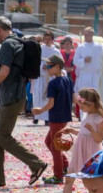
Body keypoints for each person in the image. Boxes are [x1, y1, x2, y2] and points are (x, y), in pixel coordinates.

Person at [0, 17, 49, 188]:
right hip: (14, 96)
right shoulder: (18, 42)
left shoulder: (7, 45)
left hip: (12, 96)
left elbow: (4, 72)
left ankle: (36, 164)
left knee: (3, 137)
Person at [54, 88, 103, 193]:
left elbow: (98, 139)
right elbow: (82, 133)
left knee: (92, 182)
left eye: (83, 106)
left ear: (91, 105)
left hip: (92, 151)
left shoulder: (100, 118)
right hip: (80, 149)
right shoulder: (86, 115)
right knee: (69, 178)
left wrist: (91, 129)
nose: (81, 108)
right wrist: (72, 130)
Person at [31, 55, 74, 185]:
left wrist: (40, 111)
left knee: (55, 146)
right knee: (49, 141)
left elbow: (51, 103)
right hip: (64, 117)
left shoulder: (53, 83)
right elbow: (74, 97)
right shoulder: (68, 80)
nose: (46, 68)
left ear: (57, 67)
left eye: (49, 66)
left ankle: (58, 175)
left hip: (56, 117)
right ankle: (64, 165)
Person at [31, 30, 59, 124]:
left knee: (48, 97)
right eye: (45, 39)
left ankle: (47, 118)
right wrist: (41, 66)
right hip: (40, 76)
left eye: (49, 39)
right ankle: (36, 116)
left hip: (50, 77)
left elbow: (59, 63)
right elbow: (34, 61)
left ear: (52, 40)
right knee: (37, 96)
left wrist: (50, 67)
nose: (47, 41)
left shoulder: (56, 51)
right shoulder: (39, 49)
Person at [73, 28, 103, 100]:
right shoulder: (80, 47)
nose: (87, 36)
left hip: (96, 76)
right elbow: (75, 61)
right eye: (86, 34)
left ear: (92, 34)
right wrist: (83, 60)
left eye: (89, 34)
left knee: (95, 98)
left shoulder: (99, 47)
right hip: (84, 76)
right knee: (84, 98)